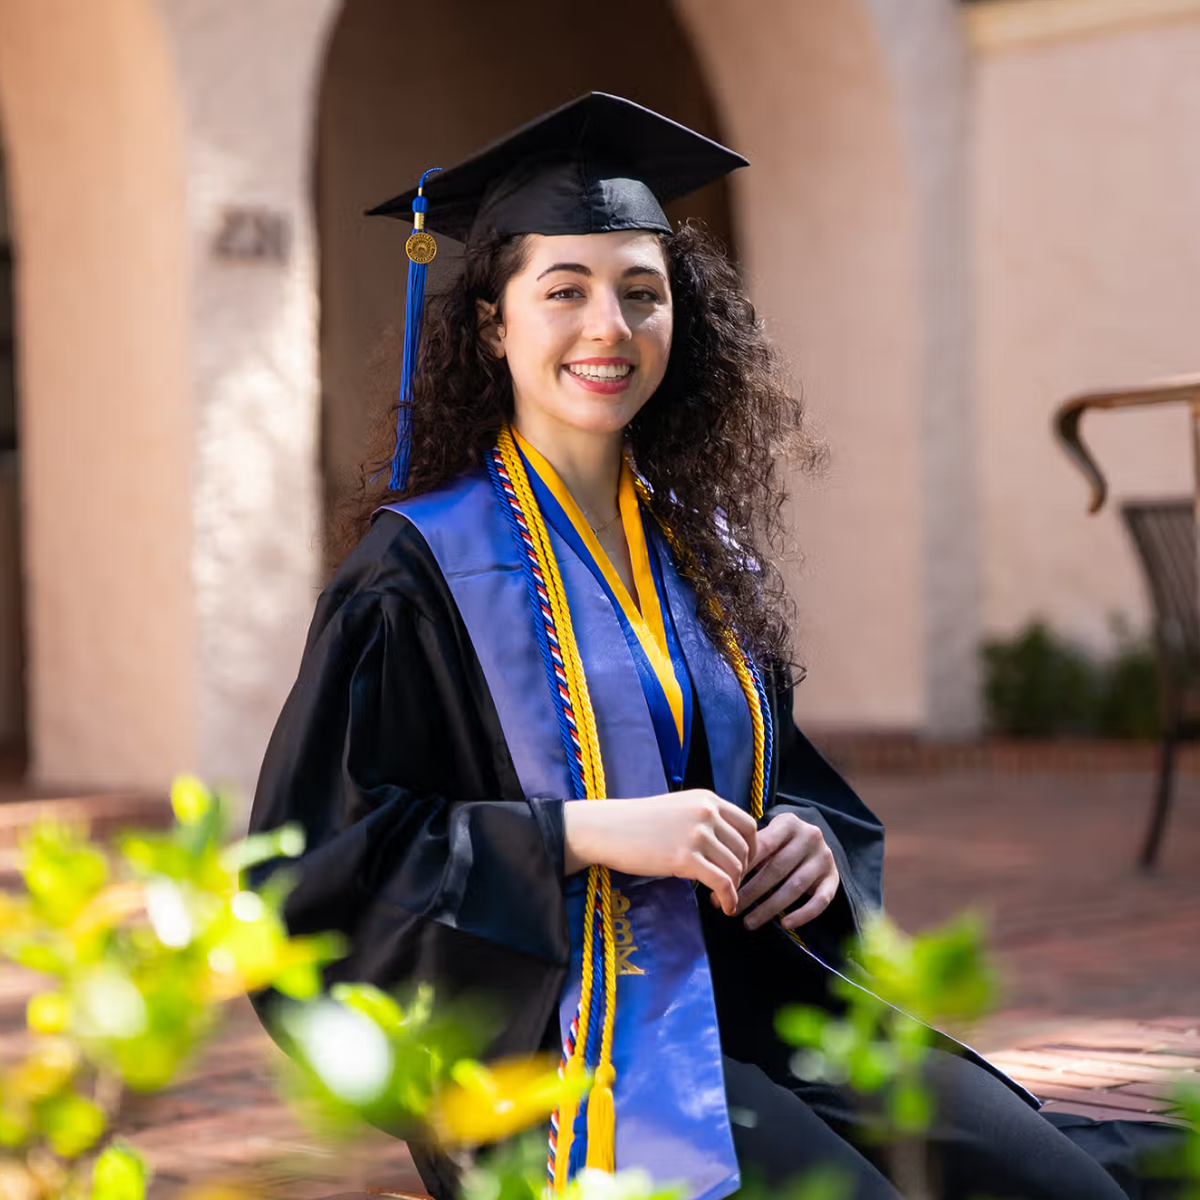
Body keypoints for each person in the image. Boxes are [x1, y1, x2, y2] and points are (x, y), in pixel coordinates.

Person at [247, 93, 1185, 1200]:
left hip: (765, 999)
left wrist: (811, 840)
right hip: (564, 1044)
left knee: (1075, 1188)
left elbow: (781, 773)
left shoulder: (695, 544)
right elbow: (316, 873)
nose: (610, 327)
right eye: (565, 291)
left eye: (641, 294)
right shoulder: (418, 572)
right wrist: (583, 833)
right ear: (495, 325)